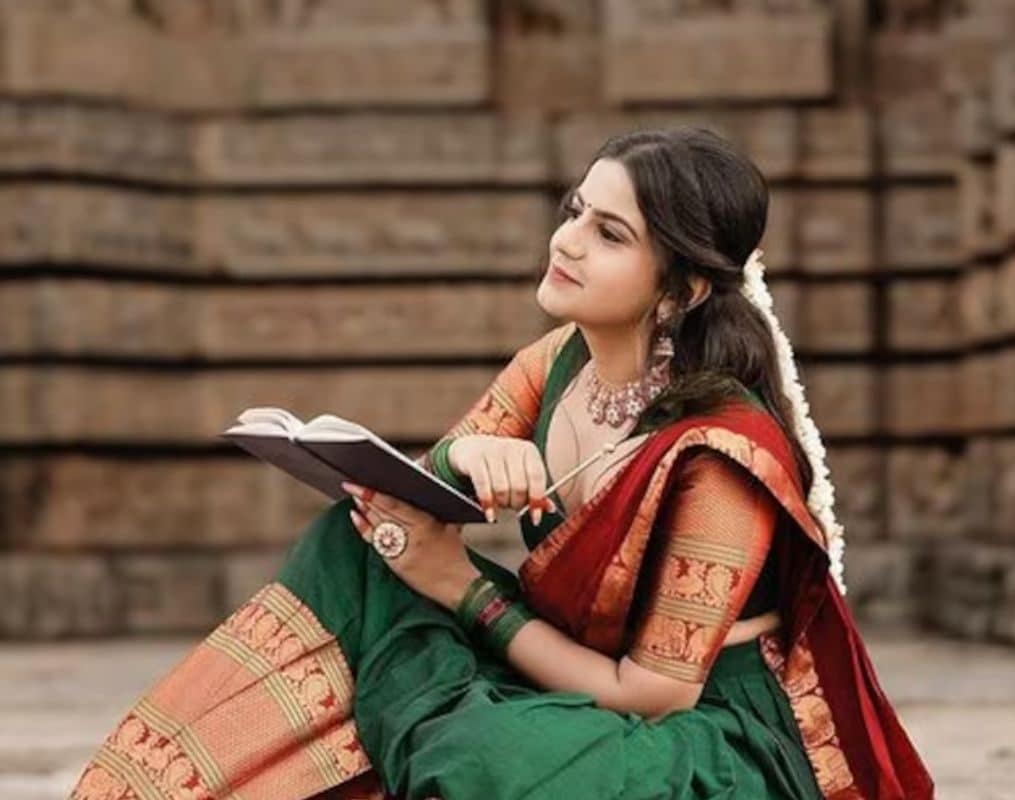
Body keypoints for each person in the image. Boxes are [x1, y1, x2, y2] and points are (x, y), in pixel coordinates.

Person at [70, 128, 934, 800]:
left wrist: (464, 590)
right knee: (353, 542)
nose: (568, 241)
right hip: (561, 660)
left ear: (682, 290)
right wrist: (462, 455)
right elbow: (425, 492)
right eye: (574, 211)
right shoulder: (559, 359)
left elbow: (651, 694)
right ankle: (157, 780)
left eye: (610, 232)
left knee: (489, 759)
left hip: (699, 732)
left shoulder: (719, 456)